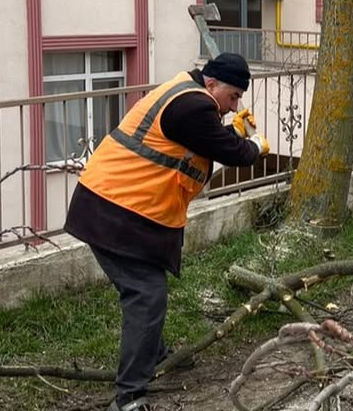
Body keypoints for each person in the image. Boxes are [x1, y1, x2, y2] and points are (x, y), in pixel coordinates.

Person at [64, 53, 270, 411]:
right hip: (115, 211)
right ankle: (129, 397)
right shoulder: (193, 107)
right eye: (233, 96)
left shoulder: (186, 96)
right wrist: (252, 145)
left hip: (125, 210)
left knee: (147, 288)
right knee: (147, 294)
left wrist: (232, 129)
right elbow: (228, 152)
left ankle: (153, 353)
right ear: (211, 85)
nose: (235, 104)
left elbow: (194, 142)